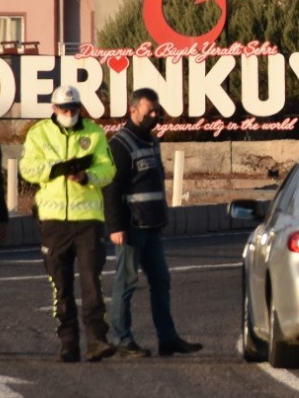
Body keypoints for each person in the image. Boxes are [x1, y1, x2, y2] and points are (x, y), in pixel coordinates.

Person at [20, 85, 118, 363]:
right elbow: (27, 168)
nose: (69, 113)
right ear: (54, 108)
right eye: (64, 109)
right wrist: (56, 169)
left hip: (87, 220)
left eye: (74, 108)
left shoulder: (93, 132)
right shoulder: (39, 133)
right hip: (53, 222)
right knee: (60, 285)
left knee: (92, 282)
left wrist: (87, 176)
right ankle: (68, 342)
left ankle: (97, 340)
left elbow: (108, 169)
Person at [105, 87, 202, 358]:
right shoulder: (121, 144)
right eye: (150, 112)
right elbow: (112, 189)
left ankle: (168, 339)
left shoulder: (151, 141)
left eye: (157, 111)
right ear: (133, 110)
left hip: (151, 226)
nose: (155, 116)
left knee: (161, 280)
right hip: (131, 227)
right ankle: (121, 338)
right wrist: (115, 226)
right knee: (126, 283)